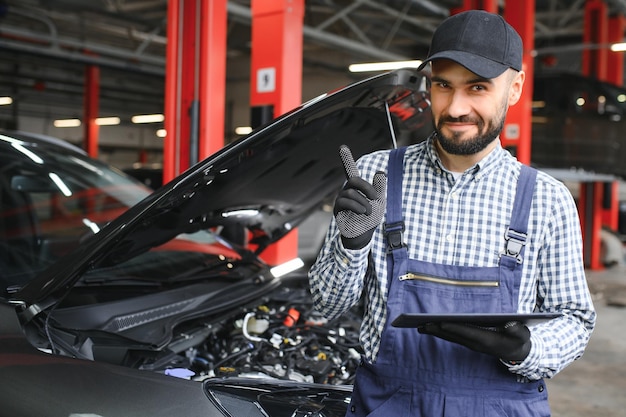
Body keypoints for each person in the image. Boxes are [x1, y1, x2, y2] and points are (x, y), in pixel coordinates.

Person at [308, 9, 596, 417]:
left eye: (477, 88)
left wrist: (529, 348)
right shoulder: (374, 176)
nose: (456, 108)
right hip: (388, 404)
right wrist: (352, 245)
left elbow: (576, 320)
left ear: (515, 88)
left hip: (501, 406)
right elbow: (325, 308)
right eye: (443, 85)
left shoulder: (547, 200)